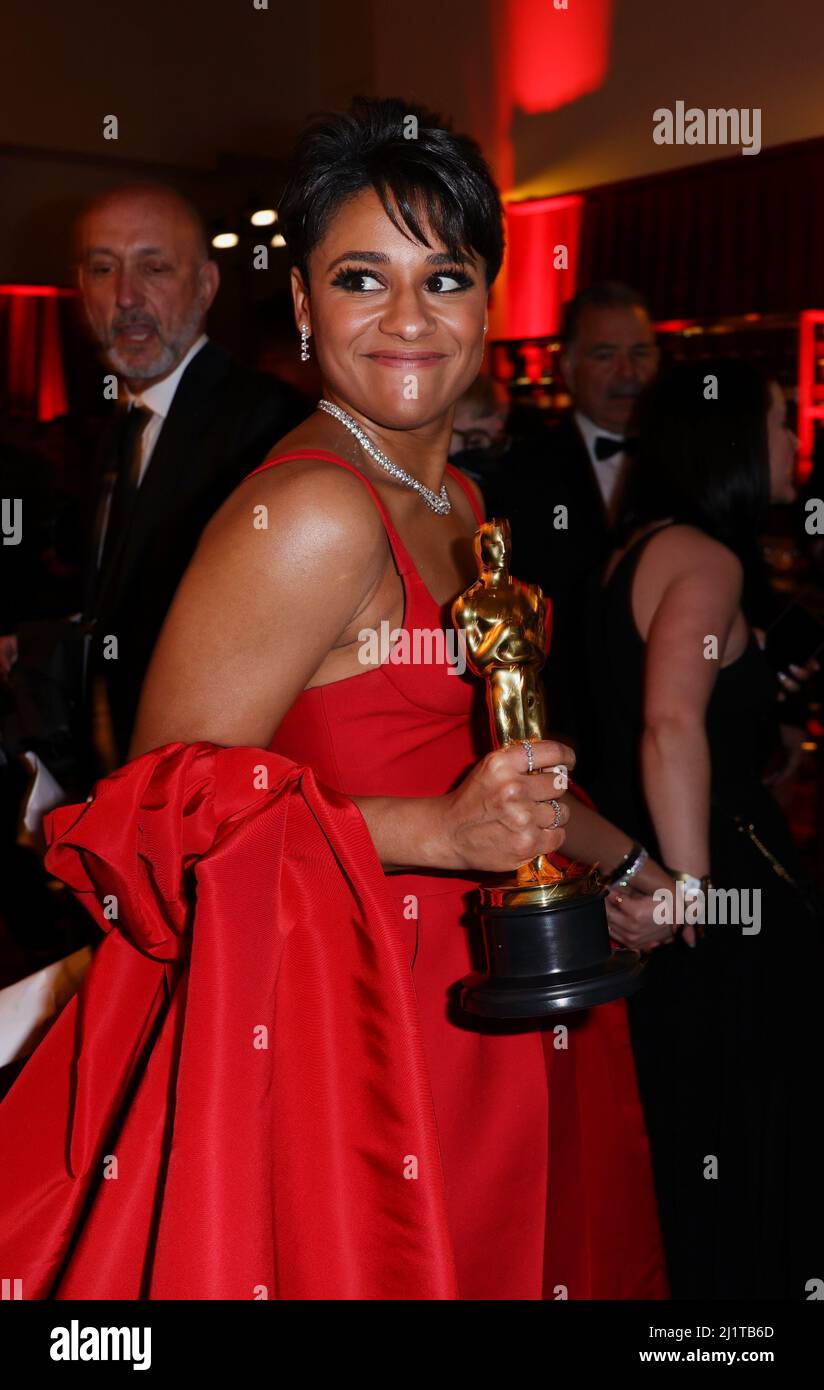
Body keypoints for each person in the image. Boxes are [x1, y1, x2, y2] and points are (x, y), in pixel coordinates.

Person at [0, 98, 668, 1301]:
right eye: (361, 277)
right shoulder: (307, 512)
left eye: (444, 276)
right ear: (302, 307)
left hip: (485, 981)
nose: (407, 318)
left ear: (487, 303)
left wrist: (621, 869)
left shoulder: (460, 501)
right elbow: (152, 824)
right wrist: (436, 835)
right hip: (352, 1023)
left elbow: (486, 757)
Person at [588, 360, 824, 1299]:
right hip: (720, 891)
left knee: (698, 1141)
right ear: (728, 441)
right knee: (754, 1131)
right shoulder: (704, 558)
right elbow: (671, 722)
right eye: (779, 421)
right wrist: (692, 892)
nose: (794, 442)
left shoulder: (636, 551)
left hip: (667, 869)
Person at [75, 183, 309, 771]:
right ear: (82, 291)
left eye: (154, 267)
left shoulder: (269, 425)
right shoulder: (118, 426)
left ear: (206, 286)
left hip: (216, 787)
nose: (126, 296)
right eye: (103, 269)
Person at [502, 283, 659, 761]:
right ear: (566, 367)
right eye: (605, 355)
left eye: (640, 353)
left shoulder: (691, 467)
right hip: (571, 736)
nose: (627, 373)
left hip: (670, 724)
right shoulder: (520, 472)